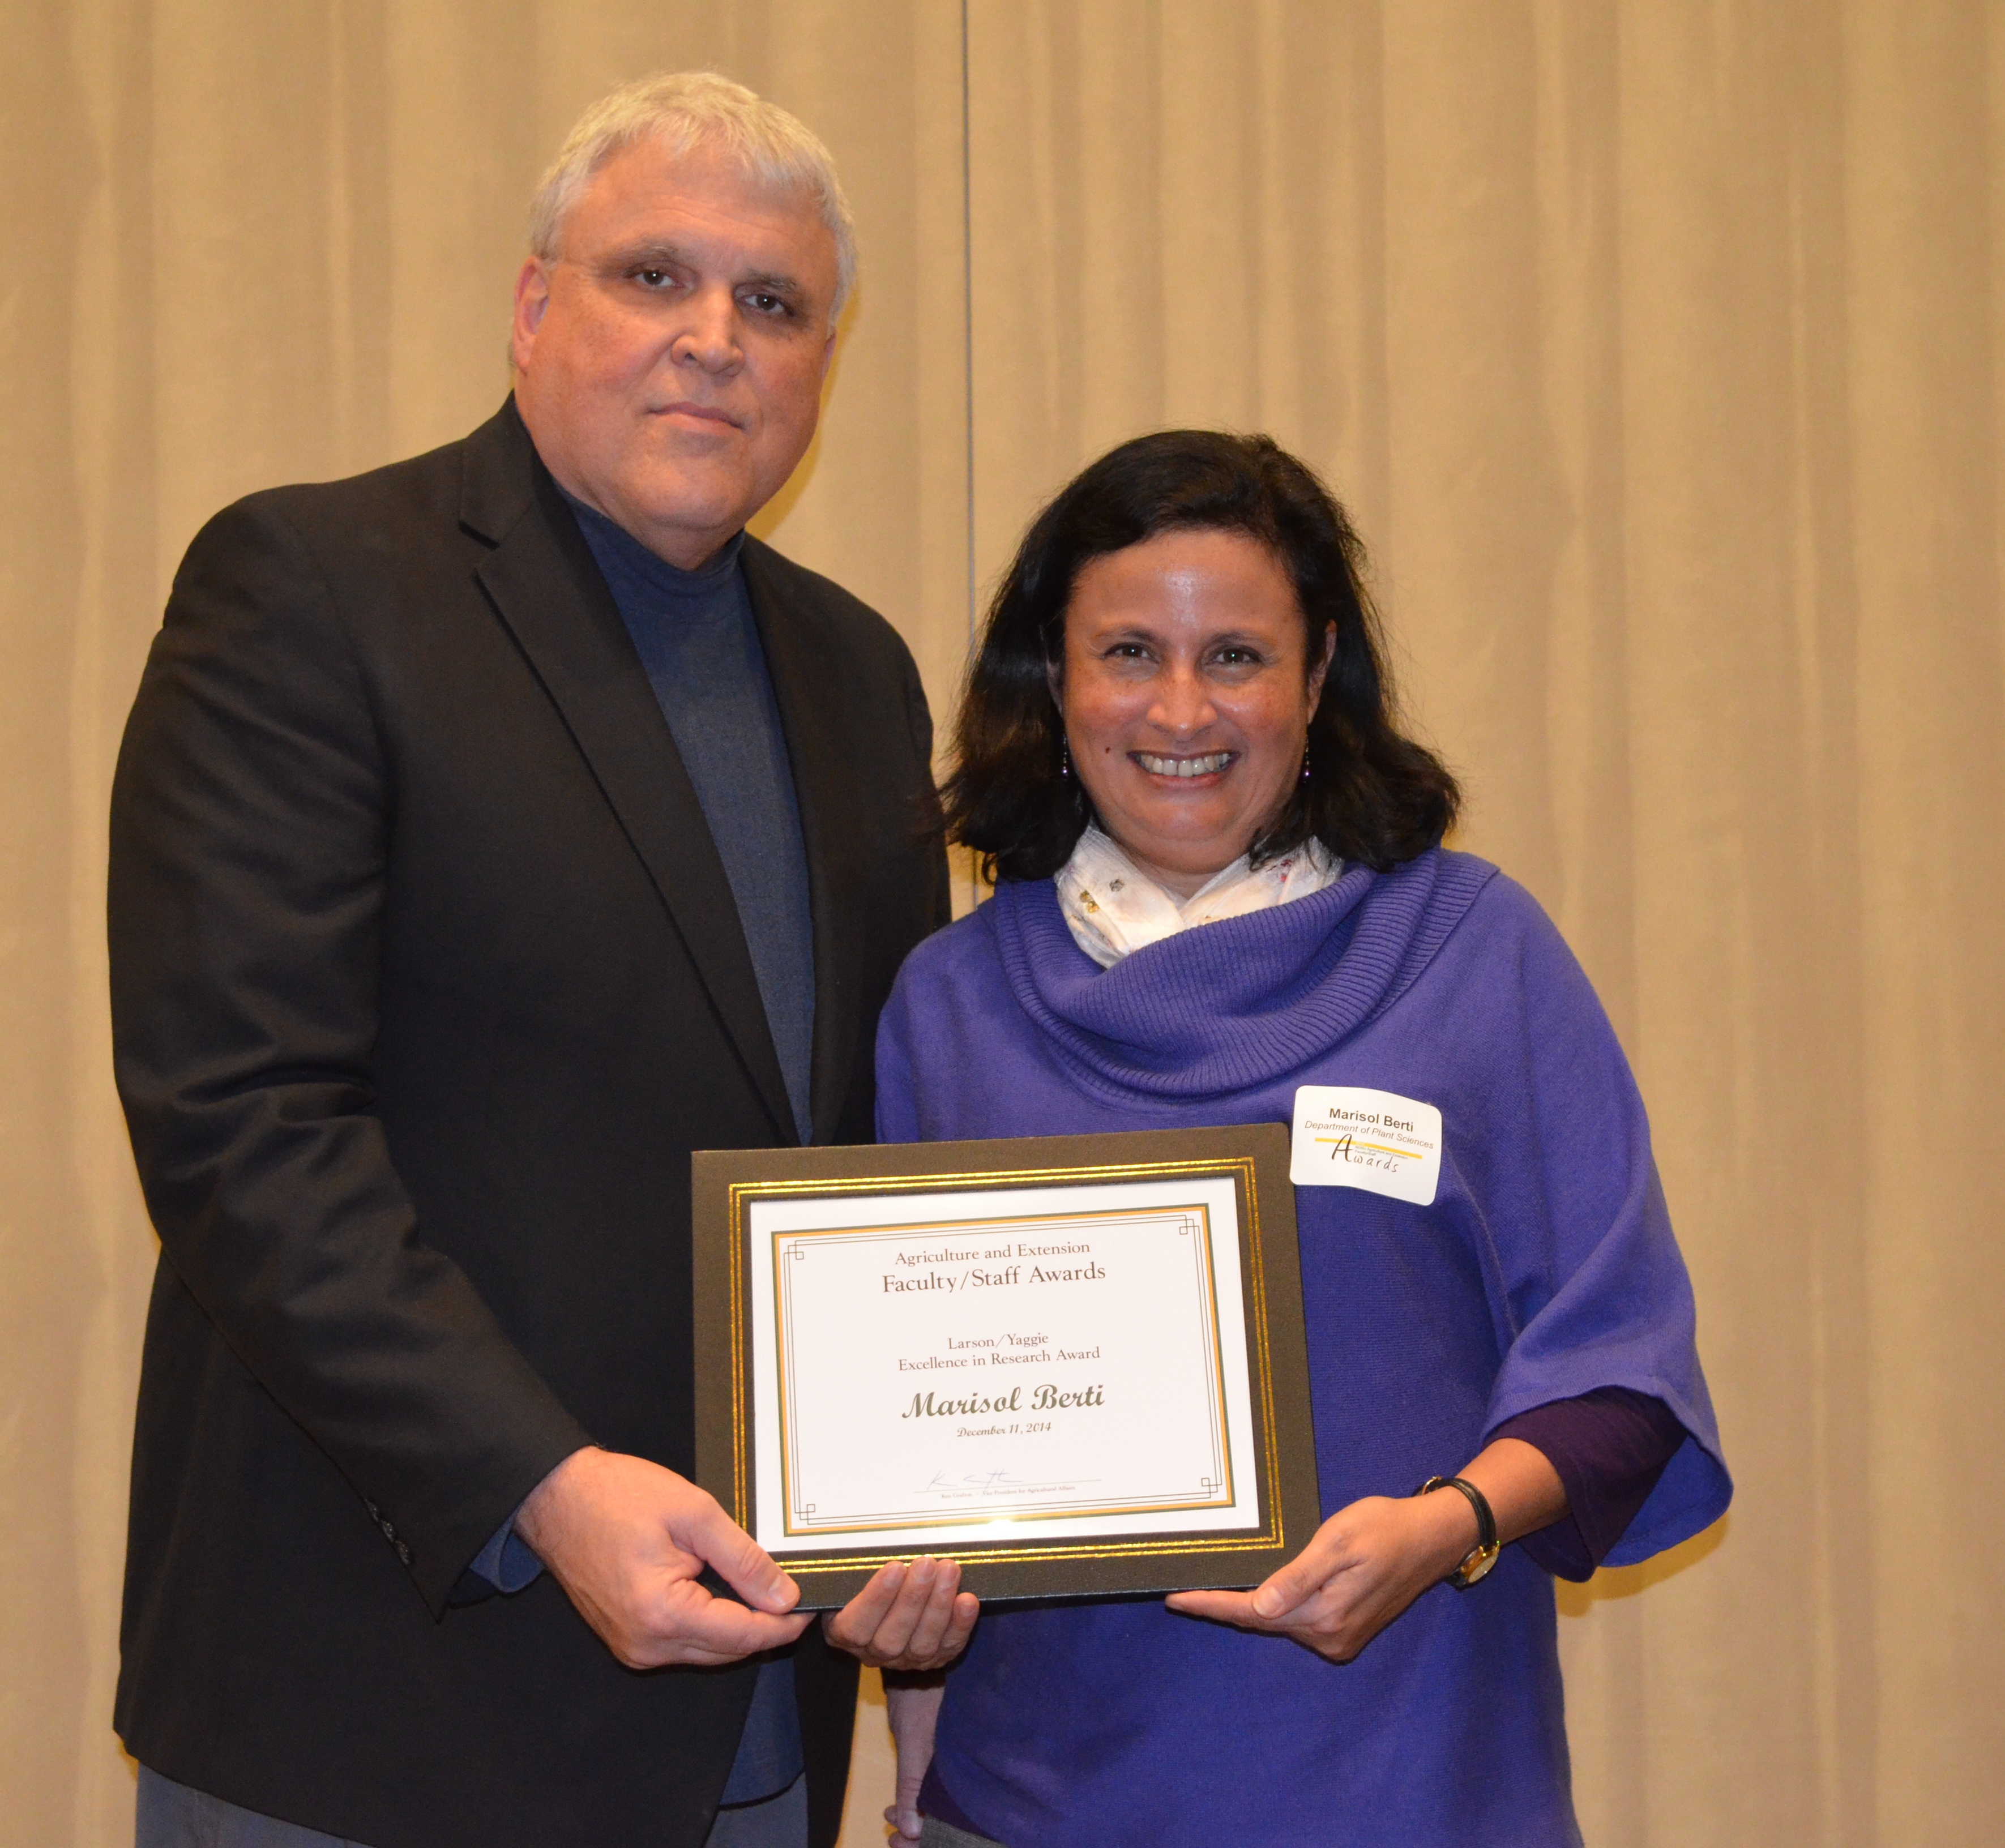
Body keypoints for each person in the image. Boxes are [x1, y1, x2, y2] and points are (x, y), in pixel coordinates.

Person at [109, 72, 972, 1848]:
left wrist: (939, 1480)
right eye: (653, 277)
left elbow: (869, 1159)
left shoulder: (860, 674)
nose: (714, 341)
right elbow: (241, 1126)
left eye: (772, 303)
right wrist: (539, 1486)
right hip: (382, 1709)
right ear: (530, 309)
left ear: (821, 360)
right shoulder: (314, 589)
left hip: (755, 1722)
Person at [871, 430, 1733, 1847]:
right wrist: (906, 1698)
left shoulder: (1473, 949)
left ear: (1318, 676)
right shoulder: (951, 1004)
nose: (1179, 709)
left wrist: (1445, 1527)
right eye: (1130, 652)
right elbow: (916, 1454)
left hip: (1406, 1785)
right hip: (1026, 1808)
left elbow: (1623, 1382)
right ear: (1057, 676)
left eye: (1236, 658)